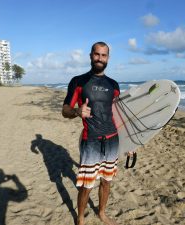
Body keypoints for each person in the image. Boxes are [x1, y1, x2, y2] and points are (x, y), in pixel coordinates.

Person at [62, 42, 120, 225]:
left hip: (112, 140)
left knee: (106, 180)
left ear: (108, 58)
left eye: (104, 55)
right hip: (91, 141)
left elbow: (118, 115)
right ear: (90, 56)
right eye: (97, 54)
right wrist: (78, 111)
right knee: (87, 184)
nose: (100, 59)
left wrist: (130, 144)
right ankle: (80, 218)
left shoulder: (114, 85)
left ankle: (101, 213)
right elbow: (65, 110)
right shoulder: (78, 81)